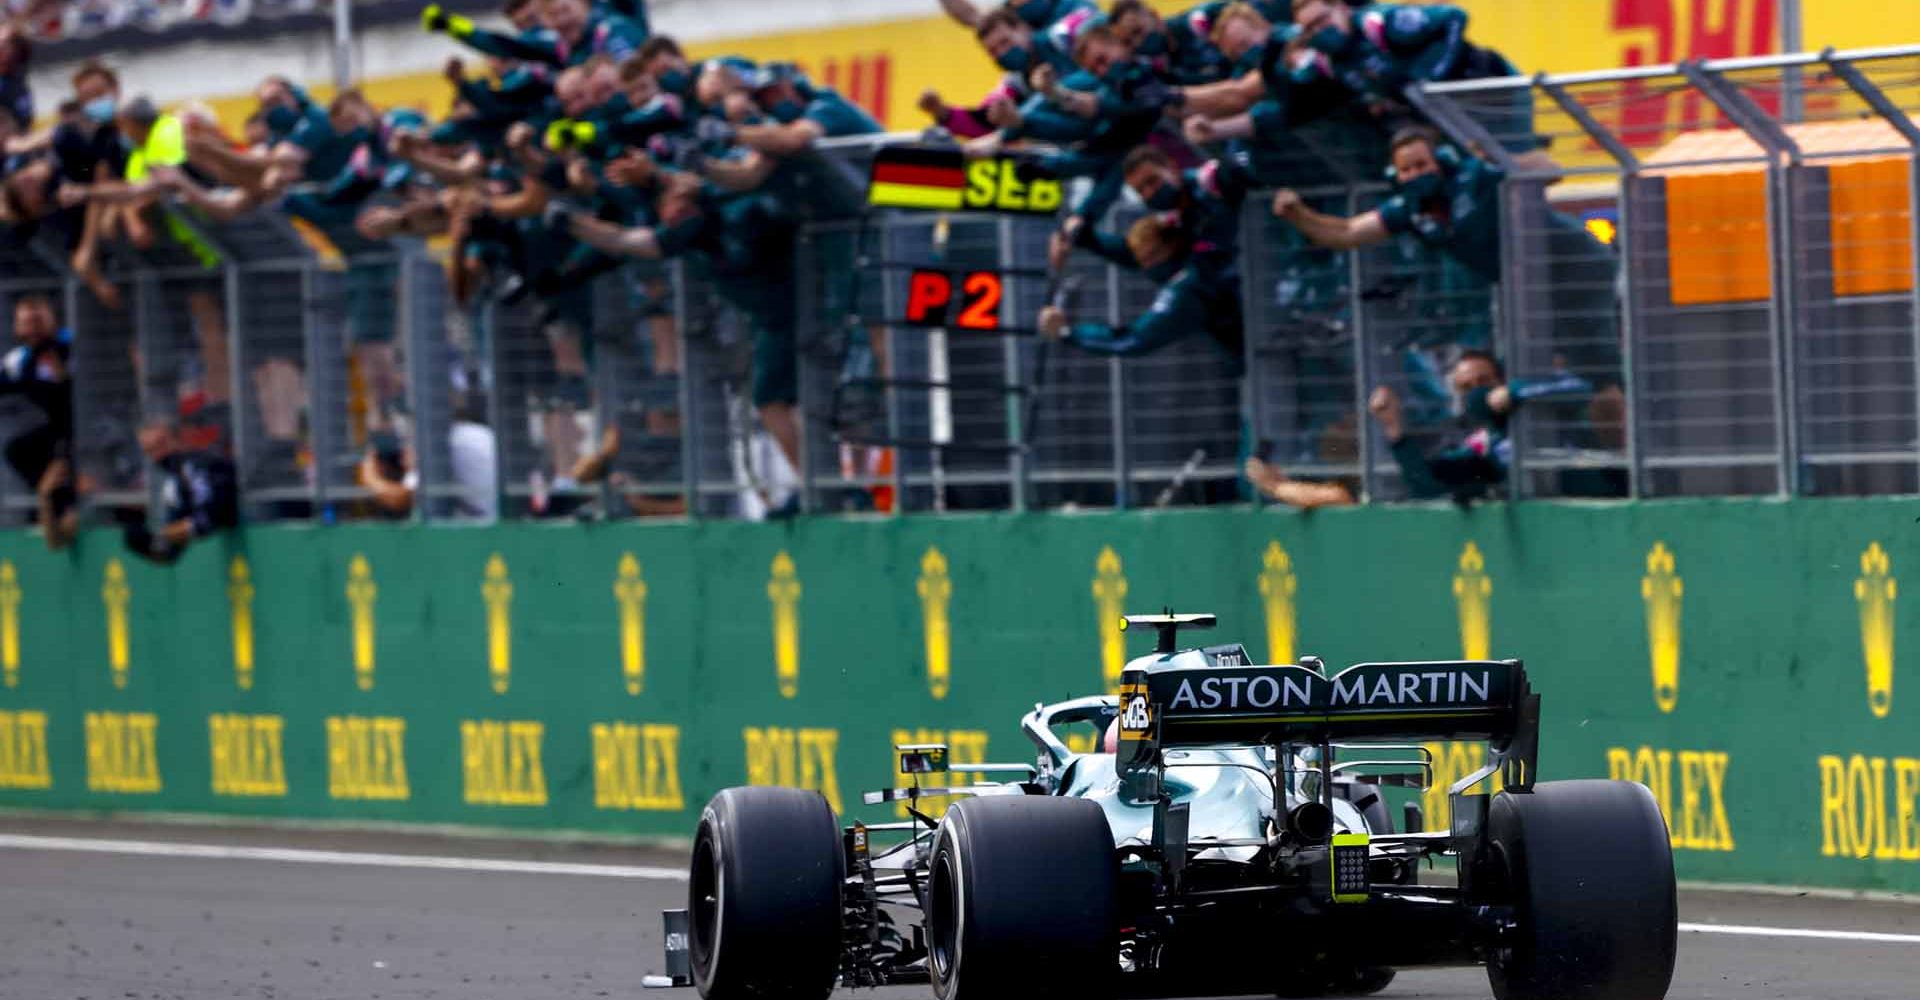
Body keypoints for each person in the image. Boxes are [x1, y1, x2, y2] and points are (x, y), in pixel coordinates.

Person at [1368, 349, 1588, 503]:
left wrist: (1515, 391)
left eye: (1484, 381)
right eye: (1466, 387)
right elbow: (1428, 486)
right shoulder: (1475, 443)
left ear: (1500, 380)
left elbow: (1580, 388)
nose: (1476, 391)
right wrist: (1395, 430)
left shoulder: (1535, 409)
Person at [0, 293, 76, 548]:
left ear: (52, 321)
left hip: (86, 427)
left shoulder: (71, 344)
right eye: (26, 323)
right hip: (56, 433)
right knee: (17, 449)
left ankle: (69, 507)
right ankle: (50, 500)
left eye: (38, 321)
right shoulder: (18, 361)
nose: (32, 329)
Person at [123, 416, 238, 564]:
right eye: (150, 450)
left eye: (161, 444)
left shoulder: (198, 465)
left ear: (178, 438)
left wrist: (162, 535)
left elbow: (209, 518)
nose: (158, 454)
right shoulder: (172, 479)